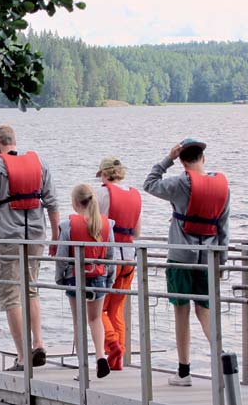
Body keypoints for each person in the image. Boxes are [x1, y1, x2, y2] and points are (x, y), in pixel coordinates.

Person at [144, 139, 230, 387]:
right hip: (210, 257)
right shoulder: (222, 186)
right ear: (203, 158)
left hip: (181, 257)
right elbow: (224, 227)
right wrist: (221, 261)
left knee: (181, 311)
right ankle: (221, 361)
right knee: (204, 311)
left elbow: (149, 183)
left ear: (182, 161)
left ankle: (184, 372)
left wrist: (166, 159)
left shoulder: (180, 182)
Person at [0, 124, 60, 371]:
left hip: (9, 238)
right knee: (31, 289)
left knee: (10, 293)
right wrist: (55, 237)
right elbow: (53, 203)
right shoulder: (40, 164)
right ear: (14, 141)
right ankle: (38, 343)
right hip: (36, 237)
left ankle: (23, 356)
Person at [55, 184, 115, 379]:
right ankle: (100, 356)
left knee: (78, 322)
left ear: (74, 203)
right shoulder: (106, 224)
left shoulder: (68, 226)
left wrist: (59, 277)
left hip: (75, 278)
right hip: (98, 277)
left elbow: (62, 257)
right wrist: (110, 279)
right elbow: (110, 255)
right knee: (95, 319)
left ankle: (83, 369)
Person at [95, 157, 142, 370]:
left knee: (98, 310)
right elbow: (137, 232)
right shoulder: (135, 195)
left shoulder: (103, 194)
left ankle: (113, 345)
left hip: (110, 258)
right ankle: (118, 360)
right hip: (129, 258)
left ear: (104, 174)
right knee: (117, 310)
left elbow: (98, 226)